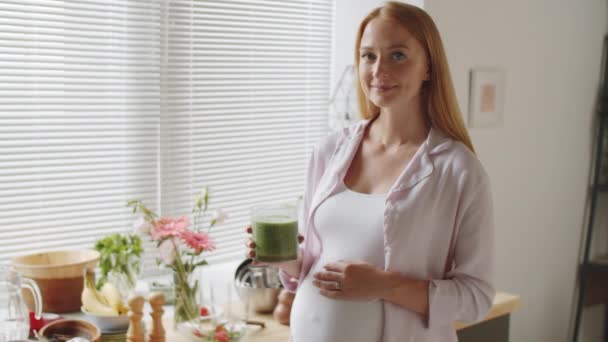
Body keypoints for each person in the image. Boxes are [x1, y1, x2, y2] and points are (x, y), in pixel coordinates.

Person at [245, 2, 494, 341]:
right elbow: (317, 264)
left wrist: (384, 286)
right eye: (368, 56)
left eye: (398, 55)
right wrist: (284, 260)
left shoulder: (458, 170)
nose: (378, 70)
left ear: (428, 68)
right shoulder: (330, 151)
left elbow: (476, 298)